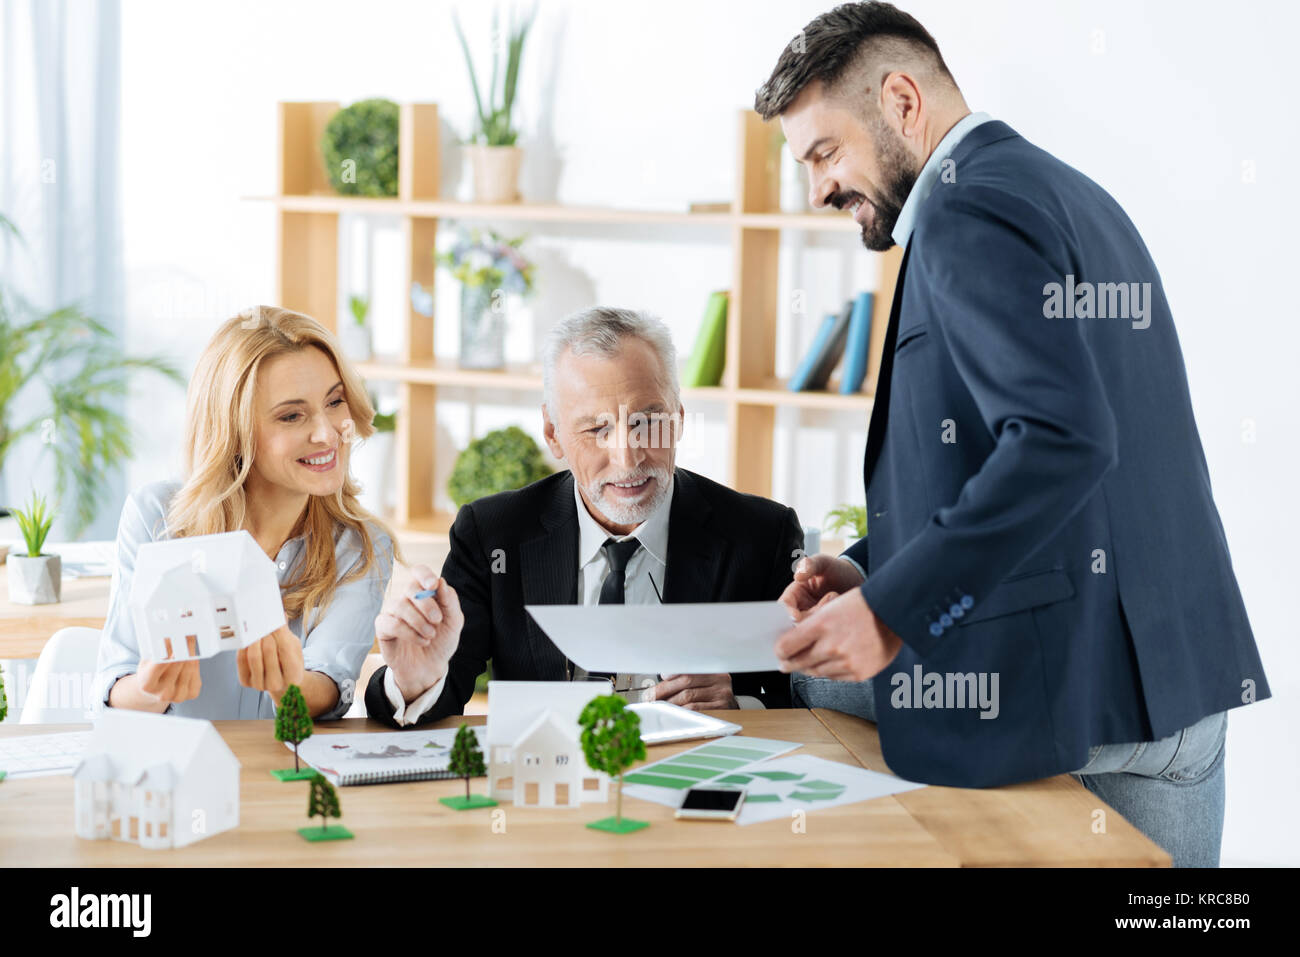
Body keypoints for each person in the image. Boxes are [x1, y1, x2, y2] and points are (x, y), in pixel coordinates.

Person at [756, 2, 1270, 867]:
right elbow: (1051, 455)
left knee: (800, 681)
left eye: (824, 152)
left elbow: (1062, 438)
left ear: (902, 101)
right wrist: (873, 566)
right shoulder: (1067, 192)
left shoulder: (966, 215)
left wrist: (891, 608)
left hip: (1078, 707)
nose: (818, 189)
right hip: (1177, 694)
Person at [364, 306, 802, 727]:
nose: (627, 458)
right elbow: (445, 688)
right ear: (553, 434)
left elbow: (803, 698)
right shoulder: (492, 534)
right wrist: (412, 680)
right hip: (553, 778)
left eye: (648, 421)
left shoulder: (763, 535)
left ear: (679, 419)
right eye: (596, 429)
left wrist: (740, 705)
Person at [95, 306, 396, 720]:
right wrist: (151, 688)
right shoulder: (156, 518)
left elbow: (330, 683)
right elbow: (115, 683)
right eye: (292, 415)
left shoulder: (361, 546)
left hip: (284, 775)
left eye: (335, 401)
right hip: (176, 775)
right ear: (233, 432)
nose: (327, 433)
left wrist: (291, 683)